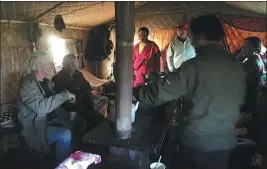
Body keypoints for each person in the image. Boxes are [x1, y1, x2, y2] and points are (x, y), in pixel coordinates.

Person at [133, 15, 246, 169]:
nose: (191, 41)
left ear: (200, 36)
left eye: (192, 36)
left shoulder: (194, 66)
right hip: (225, 142)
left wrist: (135, 93)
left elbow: (160, 93)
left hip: (199, 142)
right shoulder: (237, 66)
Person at [18, 51, 86, 164]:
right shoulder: (27, 85)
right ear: (39, 65)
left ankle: (72, 158)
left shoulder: (46, 82)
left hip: (53, 119)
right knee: (65, 134)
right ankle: (63, 165)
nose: (52, 65)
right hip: (37, 127)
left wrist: (71, 102)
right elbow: (41, 107)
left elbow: (58, 98)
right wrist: (64, 95)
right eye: (49, 63)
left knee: (80, 123)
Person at [52, 54, 107, 130]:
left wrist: (92, 92)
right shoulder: (57, 79)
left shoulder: (78, 74)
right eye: (68, 64)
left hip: (85, 106)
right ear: (63, 64)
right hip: (70, 110)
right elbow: (61, 99)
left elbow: (86, 87)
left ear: (76, 63)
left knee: (102, 120)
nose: (71, 66)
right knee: (88, 123)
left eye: (73, 63)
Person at [240, 37, 267, 114]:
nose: (243, 48)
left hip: (251, 98)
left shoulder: (250, 63)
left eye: (246, 46)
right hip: (259, 96)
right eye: (243, 46)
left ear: (256, 48)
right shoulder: (259, 58)